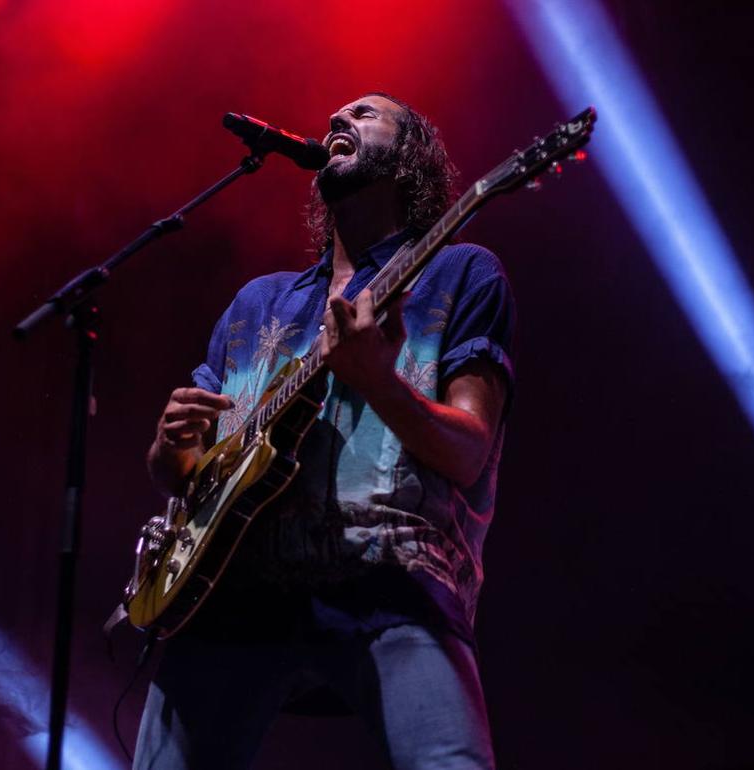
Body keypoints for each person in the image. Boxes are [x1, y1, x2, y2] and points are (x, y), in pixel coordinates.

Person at [134, 93, 516, 770]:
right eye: (335, 115)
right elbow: (189, 474)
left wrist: (379, 381)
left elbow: (466, 452)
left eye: (366, 114)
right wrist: (171, 449)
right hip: (235, 587)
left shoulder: (459, 273)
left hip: (390, 574)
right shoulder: (259, 304)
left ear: (410, 159)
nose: (338, 120)